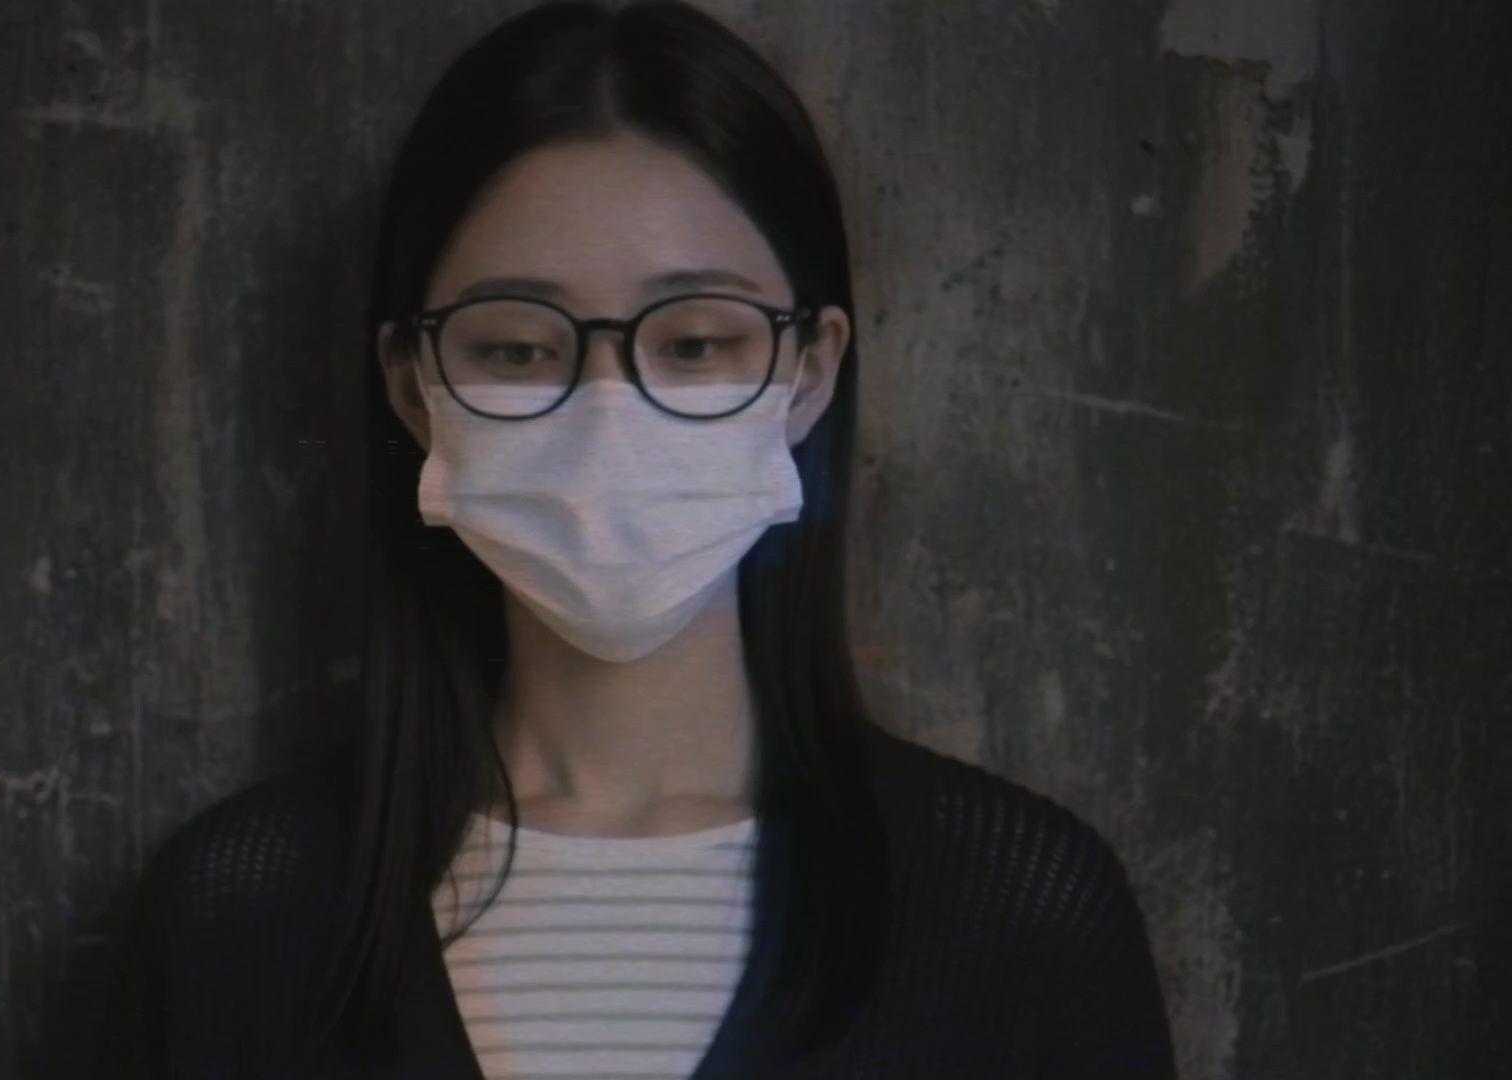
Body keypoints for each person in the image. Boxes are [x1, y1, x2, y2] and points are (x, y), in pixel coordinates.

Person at [129, 2, 1178, 1077]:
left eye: (695, 342)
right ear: (413, 388)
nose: (608, 419)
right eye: (516, 348)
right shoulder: (242, 908)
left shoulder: (1016, 907)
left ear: (809, 372)